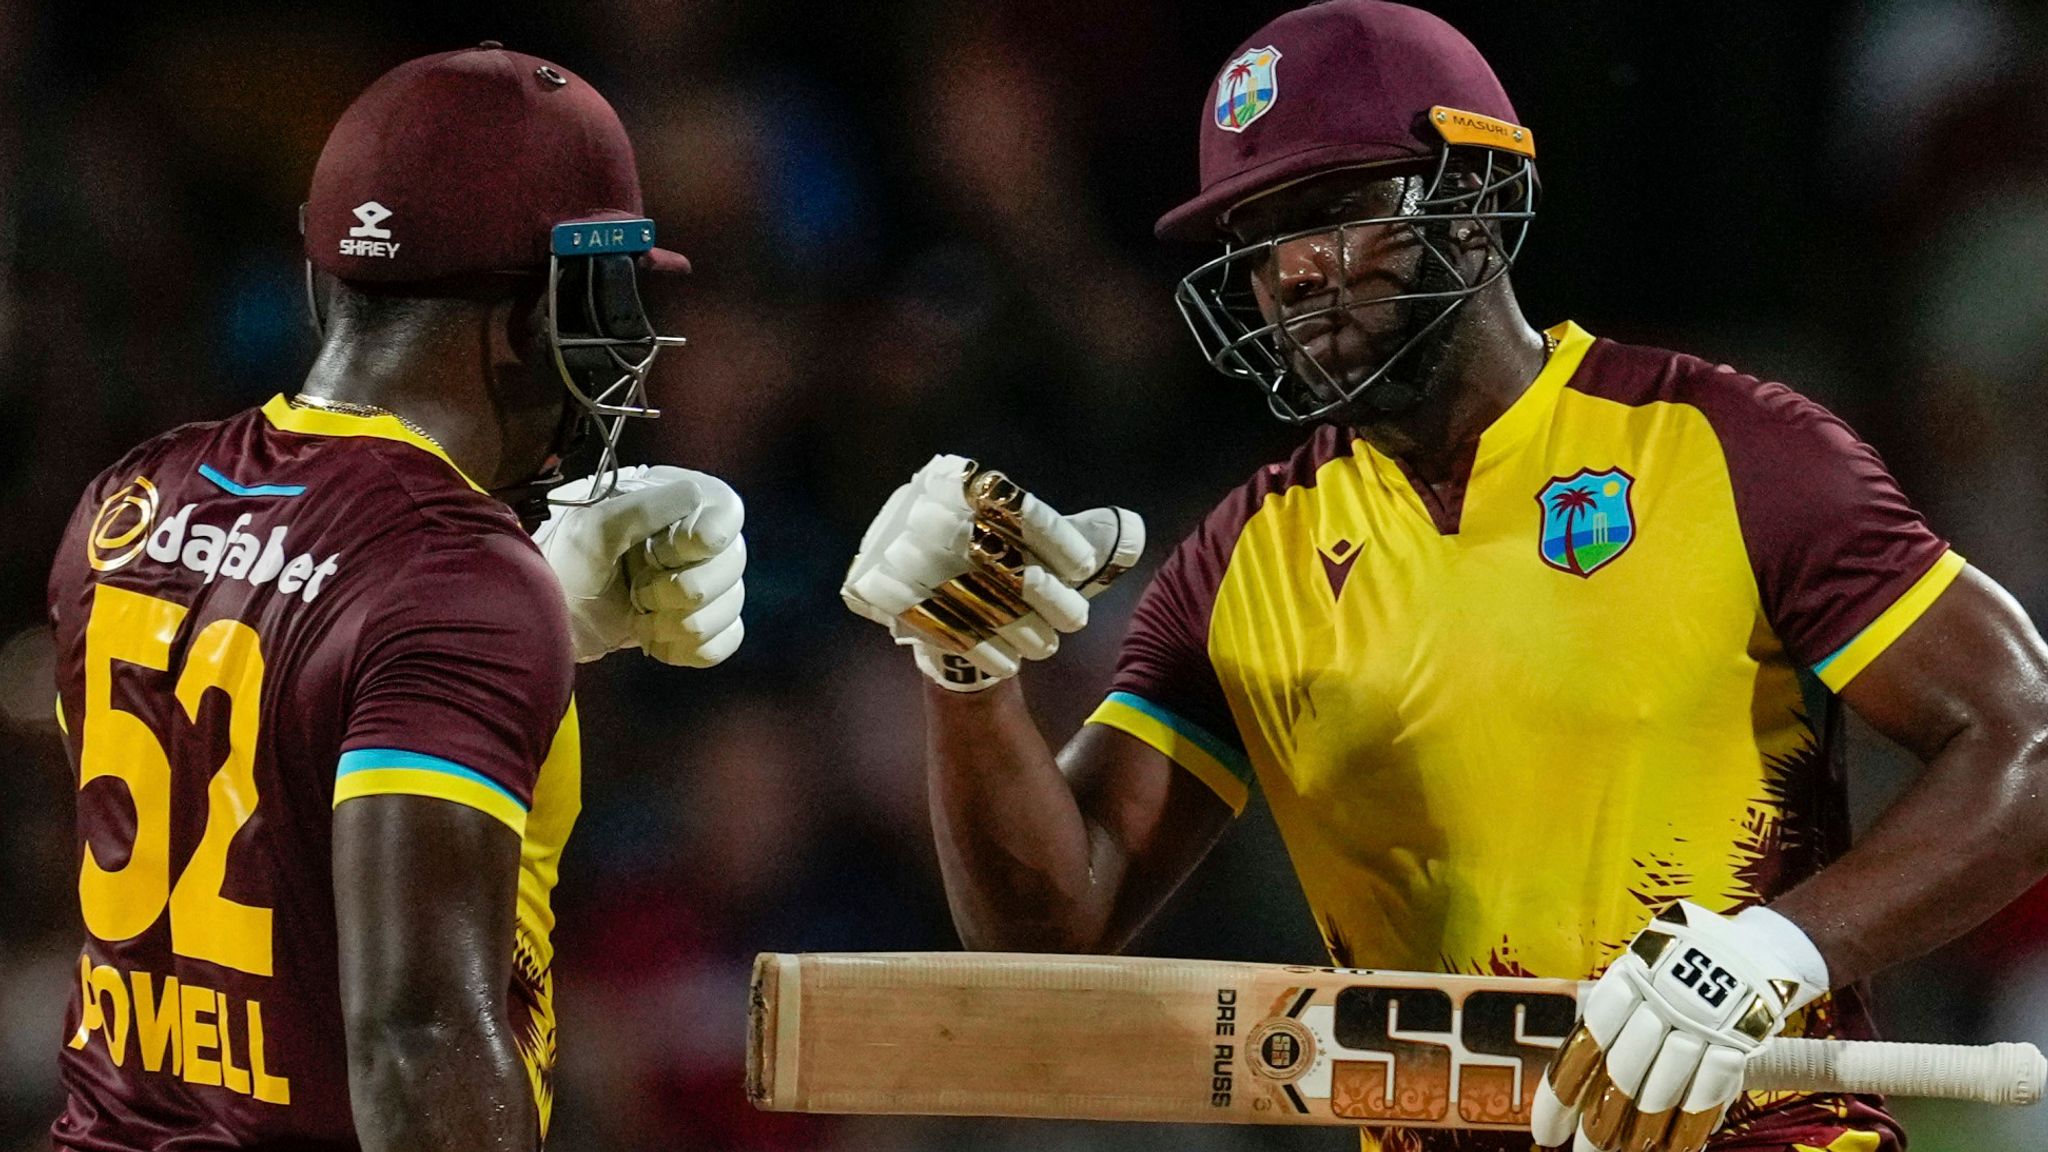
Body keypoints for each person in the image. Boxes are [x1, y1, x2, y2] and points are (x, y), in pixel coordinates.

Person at [840, 4, 2048, 1151]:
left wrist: (1782, 948)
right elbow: (1051, 931)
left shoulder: (1723, 448)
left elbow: (2023, 744)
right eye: (1256, 240)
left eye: (1332, 208)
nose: (1293, 271)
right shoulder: (1238, 562)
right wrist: (964, 667)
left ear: (1474, 196)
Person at [49, 45, 745, 1152]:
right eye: (607, 301)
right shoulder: (454, 577)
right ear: (539, 315)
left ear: (326, 274)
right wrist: (502, 603)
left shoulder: (129, 500)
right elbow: (416, 1042)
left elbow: (277, 753)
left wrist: (530, 616)